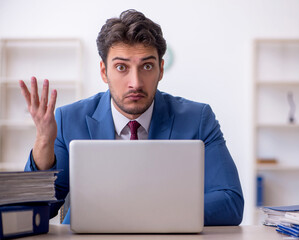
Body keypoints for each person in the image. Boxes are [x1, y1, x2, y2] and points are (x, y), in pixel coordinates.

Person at [20, 9, 244, 226]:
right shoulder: (68, 119)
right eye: (121, 67)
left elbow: (230, 202)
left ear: (161, 69)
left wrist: (140, 212)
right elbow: (35, 210)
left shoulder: (198, 119)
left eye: (147, 66)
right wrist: (43, 143)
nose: (135, 82)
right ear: (103, 72)